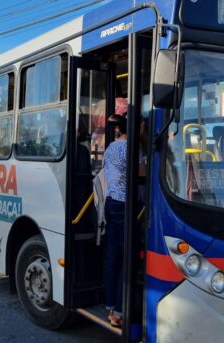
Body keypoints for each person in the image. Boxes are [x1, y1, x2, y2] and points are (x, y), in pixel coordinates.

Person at [102, 113, 127, 327]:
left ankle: (109, 305)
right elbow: (143, 172)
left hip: (110, 203)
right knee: (124, 260)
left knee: (112, 258)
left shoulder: (111, 147)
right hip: (124, 206)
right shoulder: (130, 148)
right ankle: (118, 312)